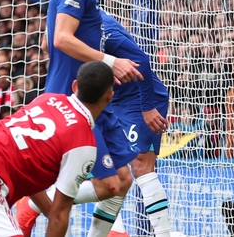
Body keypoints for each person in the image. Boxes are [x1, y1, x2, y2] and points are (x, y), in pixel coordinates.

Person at [17, 12, 172, 236]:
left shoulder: (104, 31)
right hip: (109, 99)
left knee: (140, 167)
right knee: (117, 176)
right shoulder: (69, 23)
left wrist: (147, 108)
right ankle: (114, 230)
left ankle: (163, 233)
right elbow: (45, 45)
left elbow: (142, 62)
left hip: (139, 98)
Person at [0, 62, 113, 237]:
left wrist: (50, 213)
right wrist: (54, 218)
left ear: (74, 86)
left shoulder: (47, 99)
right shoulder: (83, 144)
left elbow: (22, 159)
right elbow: (59, 215)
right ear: (109, 96)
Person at [43, 0, 144, 237]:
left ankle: (40, 202)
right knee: (91, 188)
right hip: (74, 102)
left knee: (121, 181)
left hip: (93, 101)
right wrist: (111, 61)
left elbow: (54, 41)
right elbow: (61, 38)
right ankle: (34, 203)